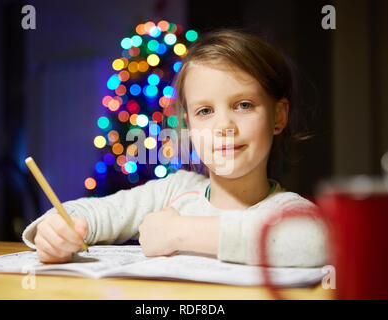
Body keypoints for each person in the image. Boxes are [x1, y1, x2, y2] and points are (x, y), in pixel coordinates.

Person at [22, 28, 328, 267]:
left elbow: (316, 241)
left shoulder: (288, 211)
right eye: (205, 111)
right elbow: (92, 212)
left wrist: (179, 232)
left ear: (278, 116)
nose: (224, 126)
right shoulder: (174, 191)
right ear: (189, 127)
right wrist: (57, 231)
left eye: (243, 105)